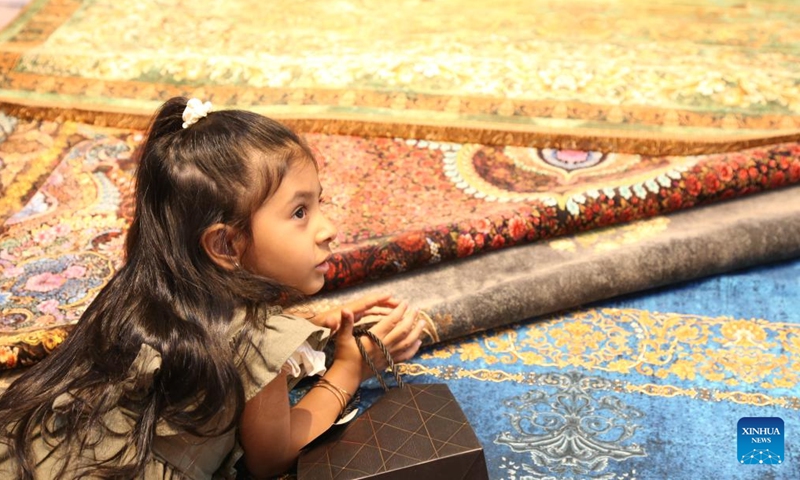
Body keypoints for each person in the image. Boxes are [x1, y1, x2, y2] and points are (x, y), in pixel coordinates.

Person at [0, 97, 425, 479]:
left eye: (319, 202)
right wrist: (349, 368)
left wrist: (311, 319)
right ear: (224, 244)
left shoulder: (140, 288)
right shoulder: (257, 340)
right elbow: (271, 457)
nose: (327, 229)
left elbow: (207, 330)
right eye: (299, 212)